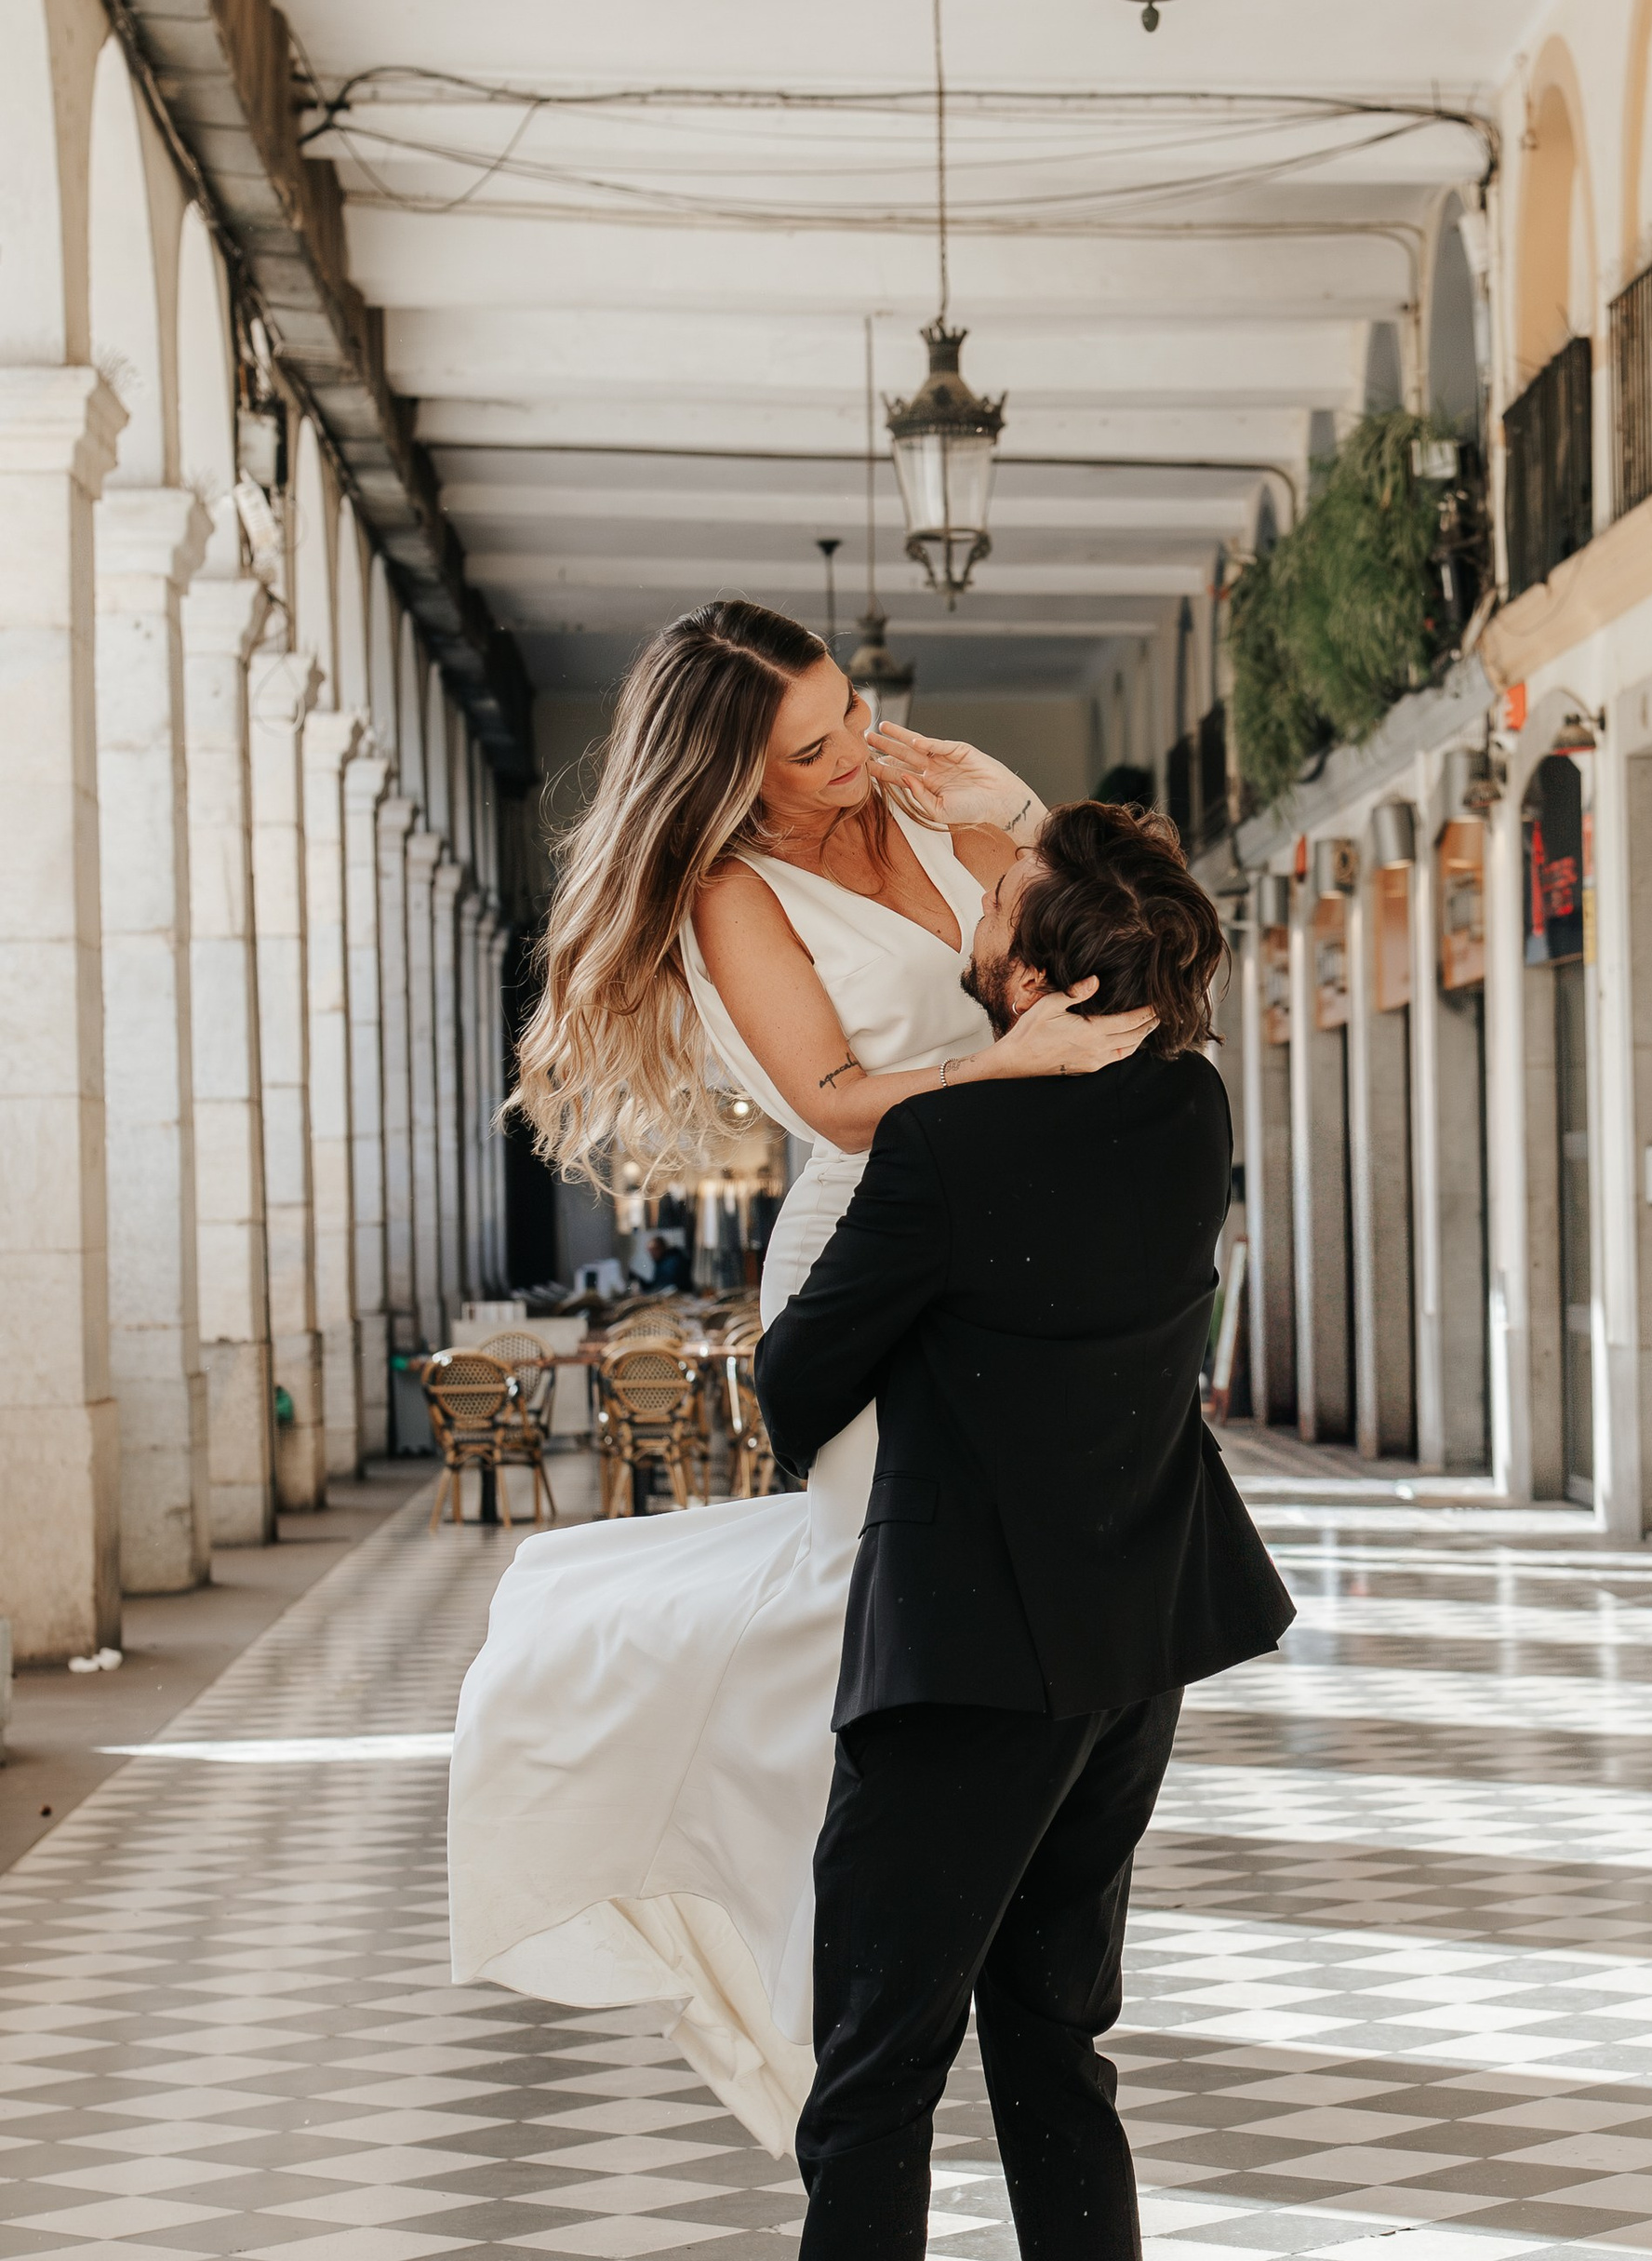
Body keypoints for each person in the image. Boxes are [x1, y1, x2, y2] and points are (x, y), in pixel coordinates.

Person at [447, 601, 1149, 2147]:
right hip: (871, 1248)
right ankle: (822, 1938)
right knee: (880, 1585)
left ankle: (999, 1895)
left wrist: (1019, 811)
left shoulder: (929, 800)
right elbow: (834, 1101)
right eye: (810, 748)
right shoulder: (729, 891)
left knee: (1011, 1573)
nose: (852, 755)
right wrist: (1004, 1068)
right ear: (729, 775)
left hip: (1014, 1246)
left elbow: (1085, 954)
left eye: (850, 716)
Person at [710, 800, 1293, 2261]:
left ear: (1034, 978)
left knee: (874, 2076)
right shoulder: (1190, 1110)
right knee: (1054, 2053)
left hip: (967, 1659)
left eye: (999, 903)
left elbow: (794, 1384)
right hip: (1130, 1650)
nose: (972, 904)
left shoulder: (950, 1142)